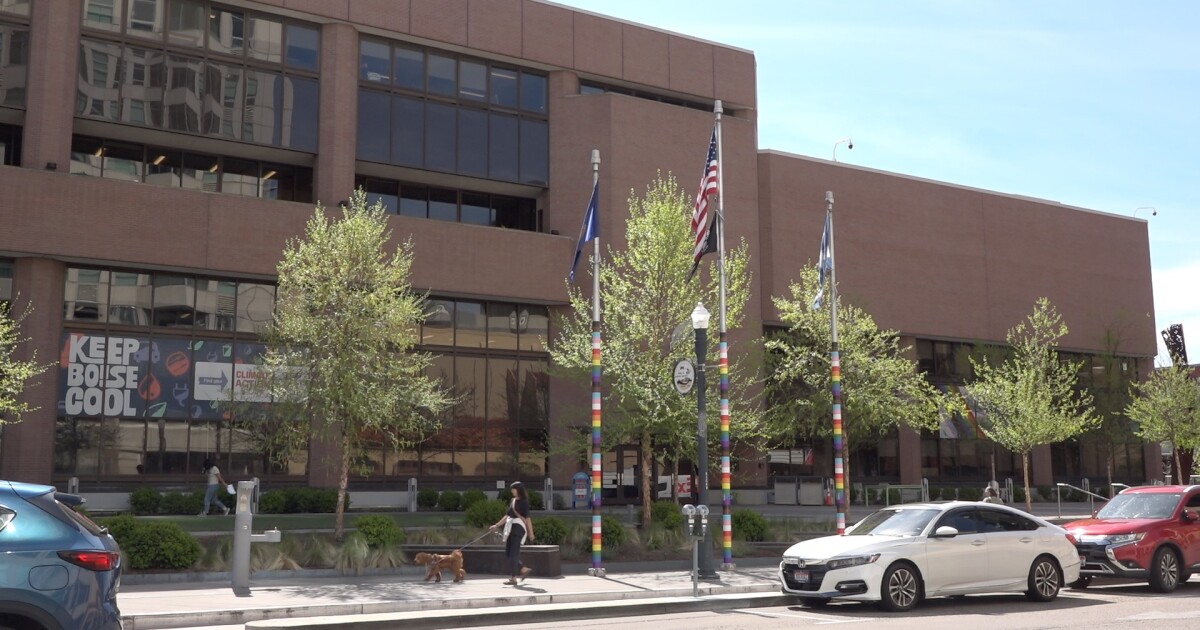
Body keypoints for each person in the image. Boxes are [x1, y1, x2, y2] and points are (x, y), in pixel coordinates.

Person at [490, 481, 535, 585]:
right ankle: (523, 569)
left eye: (513, 488)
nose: (512, 491)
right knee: (509, 554)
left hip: (518, 529)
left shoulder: (524, 502)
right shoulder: (513, 501)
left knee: (513, 554)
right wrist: (496, 525)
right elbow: (507, 516)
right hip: (510, 529)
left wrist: (531, 533)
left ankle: (513, 578)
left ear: (518, 489)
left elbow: (527, 519)